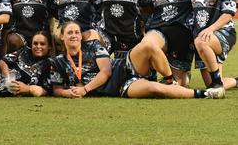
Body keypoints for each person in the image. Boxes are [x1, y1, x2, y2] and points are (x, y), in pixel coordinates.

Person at [50, 21, 224, 99]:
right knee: (155, 88)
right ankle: (206, 94)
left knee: (147, 46)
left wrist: (85, 90)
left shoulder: (93, 45)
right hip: (120, 88)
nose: (74, 35)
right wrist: (69, 92)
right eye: (69, 33)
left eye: (76, 32)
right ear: (61, 37)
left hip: (123, 68)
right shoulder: (58, 61)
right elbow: (56, 88)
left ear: (81, 35)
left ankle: (171, 81)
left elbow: (106, 71)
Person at [139, 0, 197, 86]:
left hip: (182, 33)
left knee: (182, 85)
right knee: (147, 45)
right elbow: (147, 8)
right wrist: (143, 26)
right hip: (159, 29)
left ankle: (181, 75)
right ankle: (161, 76)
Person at [191, 0, 238, 90]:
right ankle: (235, 81)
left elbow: (228, 13)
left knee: (201, 41)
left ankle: (217, 82)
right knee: (209, 84)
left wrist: (210, 29)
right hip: (202, 35)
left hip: (222, 33)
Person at [0, 31, 52, 97]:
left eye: (42, 44)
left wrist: (27, 89)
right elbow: (1, 62)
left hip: (16, 96)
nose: (38, 46)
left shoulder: (49, 64)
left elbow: (46, 90)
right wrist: (7, 76)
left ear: (49, 46)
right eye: (35, 43)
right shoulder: (23, 51)